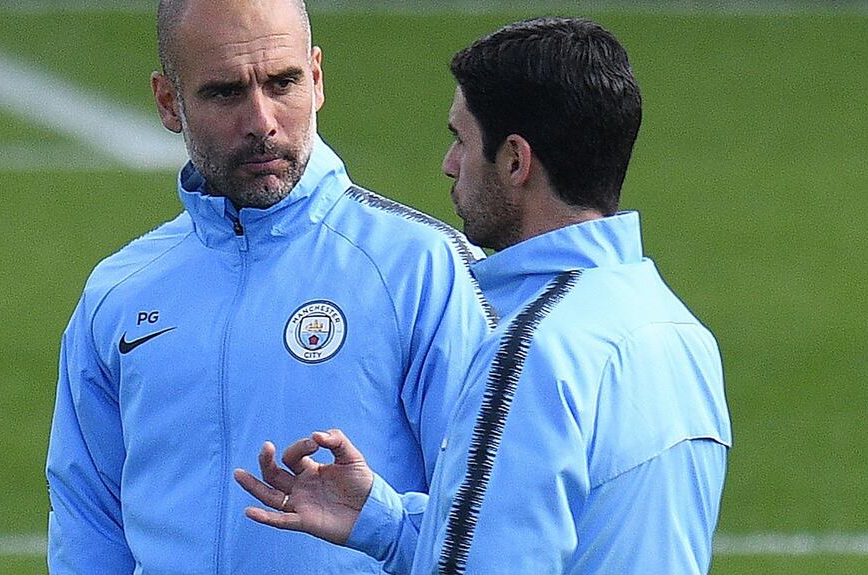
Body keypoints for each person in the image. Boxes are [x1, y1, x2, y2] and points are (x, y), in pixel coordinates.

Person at [235, 16, 732, 574]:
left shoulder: (532, 352)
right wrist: (384, 522)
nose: (450, 163)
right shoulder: (677, 331)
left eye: (461, 139)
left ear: (516, 160)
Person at [44, 0, 496, 573]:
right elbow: (88, 523)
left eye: (282, 83)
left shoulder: (425, 271)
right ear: (168, 102)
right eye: (225, 92)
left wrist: (380, 524)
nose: (261, 121)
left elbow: (489, 527)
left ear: (317, 78)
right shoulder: (121, 292)